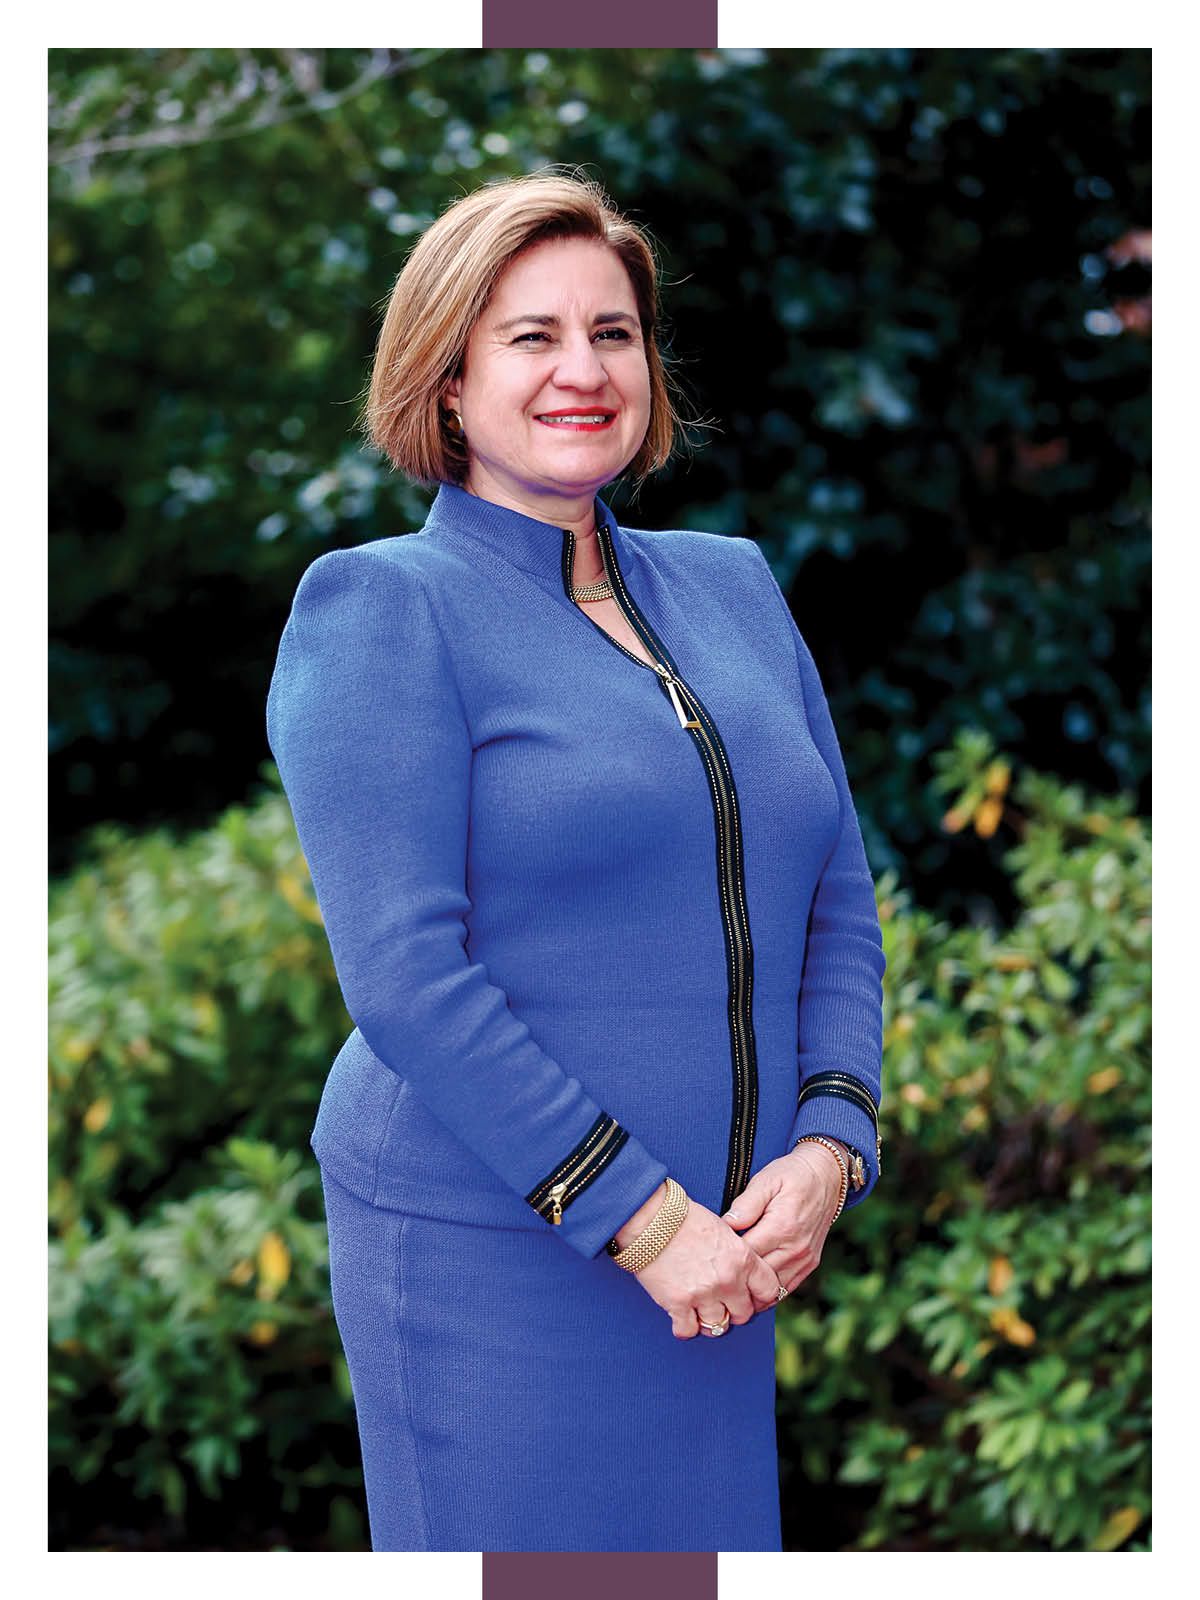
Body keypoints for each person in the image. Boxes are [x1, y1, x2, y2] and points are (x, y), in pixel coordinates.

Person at [265, 170, 886, 1554]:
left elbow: (834, 891)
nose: (583, 370)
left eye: (612, 332)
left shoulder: (733, 583)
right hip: (499, 1252)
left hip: (729, 1257)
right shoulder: (381, 610)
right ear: (445, 379)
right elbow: (408, 977)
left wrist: (835, 1138)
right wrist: (642, 1221)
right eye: (529, 336)